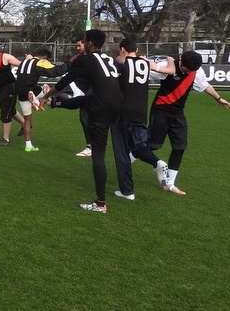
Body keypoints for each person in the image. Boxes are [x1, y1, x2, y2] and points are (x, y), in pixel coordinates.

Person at [42, 29, 121, 213]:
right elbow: (118, 75)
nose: (81, 45)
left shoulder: (86, 60)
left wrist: (45, 97)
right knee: (86, 100)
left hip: (102, 109)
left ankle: (100, 204)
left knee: (98, 154)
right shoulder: (109, 59)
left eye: (84, 41)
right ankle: (58, 104)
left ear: (90, 43)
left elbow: (64, 81)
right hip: (117, 105)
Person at [147, 50, 230, 195]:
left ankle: (170, 184)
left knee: (179, 147)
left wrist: (218, 98)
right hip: (160, 110)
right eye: (187, 69)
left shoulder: (195, 71)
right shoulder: (167, 64)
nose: (190, 72)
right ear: (181, 62)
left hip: (178, 114)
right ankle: (126, 160)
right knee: (152, 145)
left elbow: (204, 85)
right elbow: (146, 74)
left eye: (193, 70)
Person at [110, 39, 169, 201]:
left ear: (122, 49)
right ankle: (156, 162)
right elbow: (168, 70)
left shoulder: (121, 64)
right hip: (140, 112)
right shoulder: (146, 63)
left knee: (122, 152)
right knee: (139, 146)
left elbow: (113, 84)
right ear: (136, 49)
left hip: (123, 112)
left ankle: (127, 191)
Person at [14, 48, 68, 152]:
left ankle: (28, 146)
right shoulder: (40, 62)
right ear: (44, 57)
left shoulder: (24, 61)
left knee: (27, 120)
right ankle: (42, 98)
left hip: (21, 91)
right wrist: (69, 63)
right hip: (32, 89)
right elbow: (55, 71)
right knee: (47, 96)